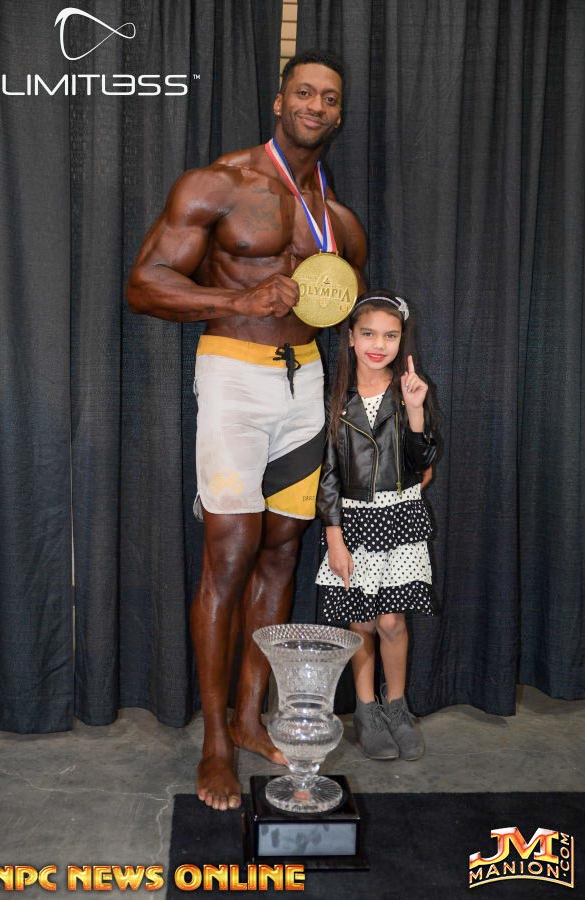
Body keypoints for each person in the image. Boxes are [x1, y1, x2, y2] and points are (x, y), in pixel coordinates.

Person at [127, 49, 367, 810]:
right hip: (234, 375)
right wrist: (237, 301)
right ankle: (213, 744)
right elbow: (144, 285)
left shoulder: (339, 220)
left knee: (281, 552)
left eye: (329, 98)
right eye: (305, 93)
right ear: (278, 101)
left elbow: (348, 313)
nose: (316, 106)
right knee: (229, 556)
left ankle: (248, 717)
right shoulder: (219, 184)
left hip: (307, 386)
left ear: (339, 114)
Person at [315, 290, 437, 761]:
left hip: (400, 516)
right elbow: (327, 475)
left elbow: (423, 464)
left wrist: (415, 411)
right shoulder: (334, 400)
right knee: (362, 620)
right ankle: (366, 711)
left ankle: (397, 707)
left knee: (391, 620)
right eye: (368, 334)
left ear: (401, 340)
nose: (378, 345)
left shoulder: (409, 391)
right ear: (350, 337)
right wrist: (335, 538)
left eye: (390, 335)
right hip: (354, 520)